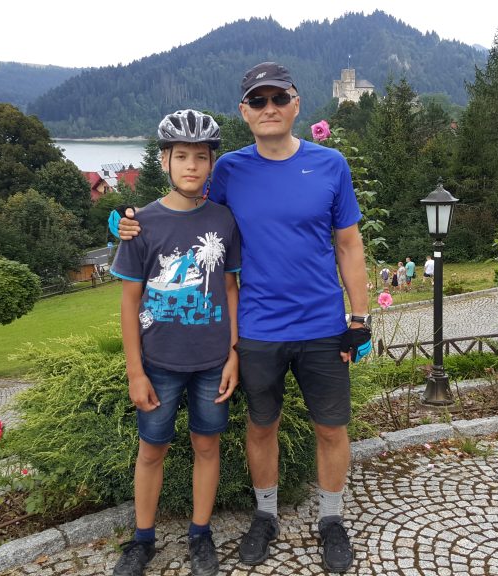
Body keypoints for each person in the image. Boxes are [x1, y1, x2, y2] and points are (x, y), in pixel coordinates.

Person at [113, 61, 372, 573]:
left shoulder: (330, 164)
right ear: (245, 111)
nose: (269, 107)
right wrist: (127, 223)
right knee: (260, 426)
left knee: (331, 428)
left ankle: (331, 520)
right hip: (256, 328)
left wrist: (360, 317)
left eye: (278, 98)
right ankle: (265, 515)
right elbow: (185, 213)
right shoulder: (229, 169)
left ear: (296, 104)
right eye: (258, 100)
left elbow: (348, 243)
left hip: (323, 325)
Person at [109, 110, 241, 576]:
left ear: (211, 164)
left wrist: (233, 354)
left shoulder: (224, 220)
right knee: (151, 450)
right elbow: (129, 302)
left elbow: (230, 289)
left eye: (201, 157)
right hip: (158, 362)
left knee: (207, 446)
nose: (191, 166)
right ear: (164, 160)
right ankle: (142, 539)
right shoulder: (141, 224)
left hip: (212, 361)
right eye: (181, 156)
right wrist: (135, 371)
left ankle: (200, 534)